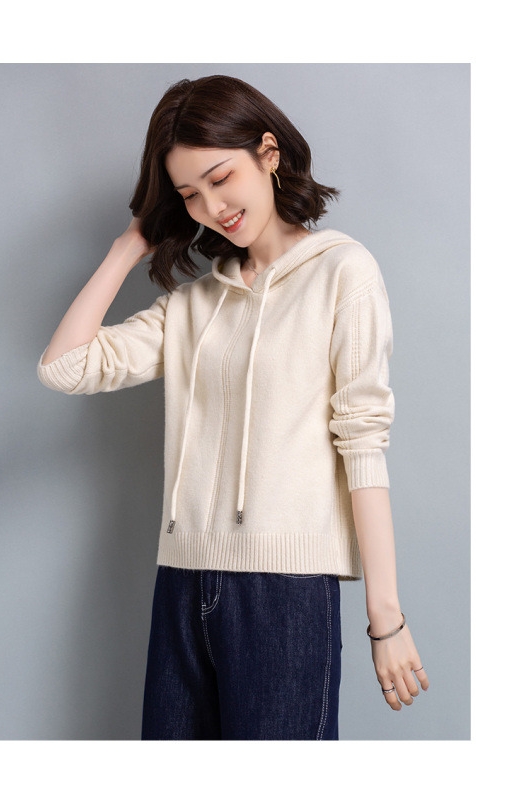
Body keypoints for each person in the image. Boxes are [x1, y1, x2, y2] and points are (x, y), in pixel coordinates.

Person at [37, 74, 429, 740]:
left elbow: (362, 442)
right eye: (189, 194)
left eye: (220, 178)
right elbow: (63, 368)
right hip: (181, 579)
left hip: (285, 591)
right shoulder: (193, 305)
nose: (211, 206)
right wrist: (127, 247)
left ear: (268, 153)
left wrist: (384, 619)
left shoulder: (343, 272)